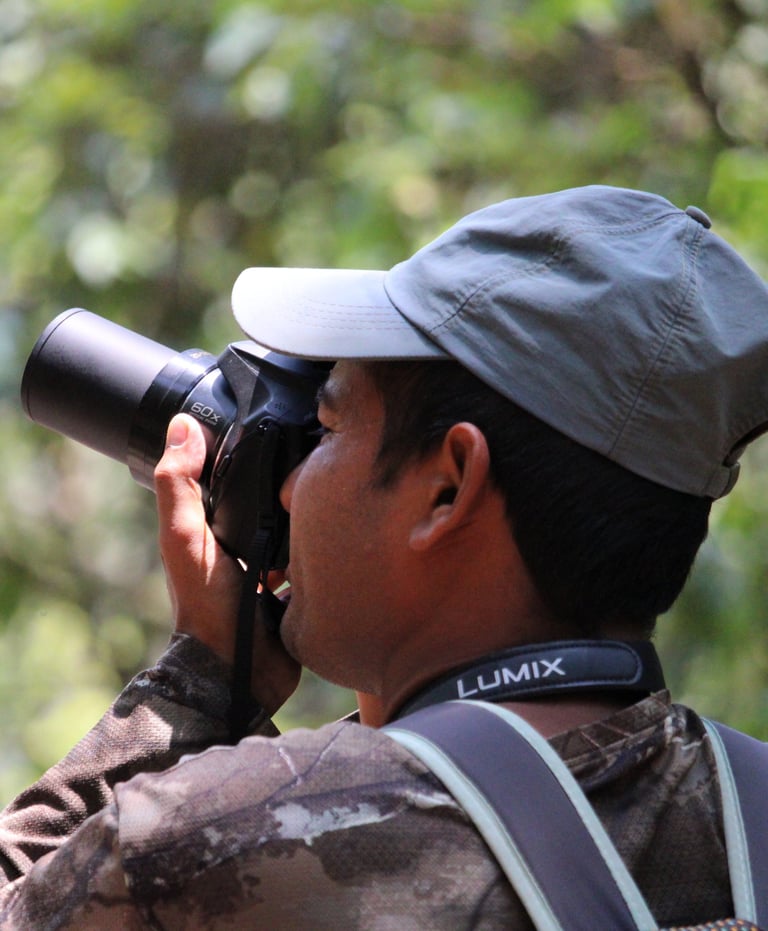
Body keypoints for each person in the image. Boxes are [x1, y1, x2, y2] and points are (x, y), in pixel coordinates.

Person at [0, 184, 767, 928]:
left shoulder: (217, 843)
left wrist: (200, 681)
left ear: (449, 486)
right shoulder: (751, 813)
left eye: (328, 430)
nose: (291, 487)